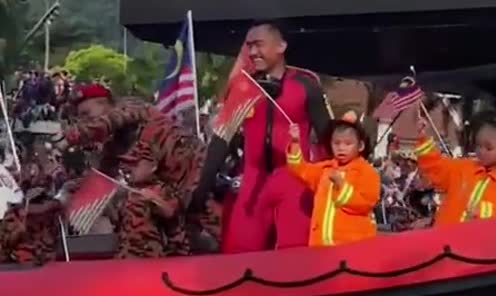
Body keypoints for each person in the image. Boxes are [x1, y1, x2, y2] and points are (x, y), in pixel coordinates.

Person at [199, 20, 333, 253]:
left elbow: (328, 137)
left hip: (294, 180)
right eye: (249, 46)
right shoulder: (243, 86)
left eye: (258, 45)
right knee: (238, 253)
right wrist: (201, 189)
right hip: (252, 179)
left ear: (281, 46)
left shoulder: (305, 85)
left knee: (296, 254)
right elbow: (222, 140)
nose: (252, 52)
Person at [53, 83, 208, 258]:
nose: (84, 121)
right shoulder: (114, 145)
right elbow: (103, 178)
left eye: (86, 114)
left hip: (200, 185)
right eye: (79, 118)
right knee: (139, 200)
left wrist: (72, 136)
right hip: (174, 198)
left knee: (138, 201)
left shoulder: (133, 108)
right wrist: (74, 189)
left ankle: (137, 267)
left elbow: (109, 121)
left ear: (106, 105)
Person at [286, 111, 379, 246]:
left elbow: (365, 204)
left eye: (348, 144)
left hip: (353, 246)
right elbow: (301, 170)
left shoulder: (367, 172)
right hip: (321, 245)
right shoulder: (326, 169)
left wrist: (342, 186)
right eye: (336, 143)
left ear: (360, 146)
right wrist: (295, 142)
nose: (341, 148)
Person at [415, 111, 496, 227]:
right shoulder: (463, 167)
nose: (481, 151)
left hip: (479, 243)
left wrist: (484, 211)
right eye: (478, 146)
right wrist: (422, 139)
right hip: (444, 240)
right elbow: (435, 167)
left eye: (488, 148)